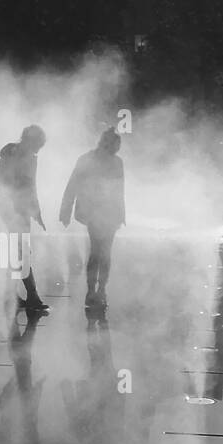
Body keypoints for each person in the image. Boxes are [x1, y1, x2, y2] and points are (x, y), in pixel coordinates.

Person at [60, 127, 125, 309]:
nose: (116, 149)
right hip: (93, 211)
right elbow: (72, 184)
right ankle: (92, 290)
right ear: (106, 143)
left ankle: (101, 289)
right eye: (114, 145)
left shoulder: (117, 162)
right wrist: (66, 209)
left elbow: (120, 189)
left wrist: (121, 213)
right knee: (98, 251)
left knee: (105, 253)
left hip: (110, 213)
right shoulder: (87, 160)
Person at [0, 125, 49, 314]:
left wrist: (37, 213)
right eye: (38, 145)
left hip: (19, 210)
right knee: (22, 253)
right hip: (13, 210)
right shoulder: (10, 155)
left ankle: (12, 295)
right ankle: (31, 296)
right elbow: (6, 183)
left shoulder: (23, 157)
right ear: (30, 140)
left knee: (18, 253)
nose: (38, 149)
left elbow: (30, 187)